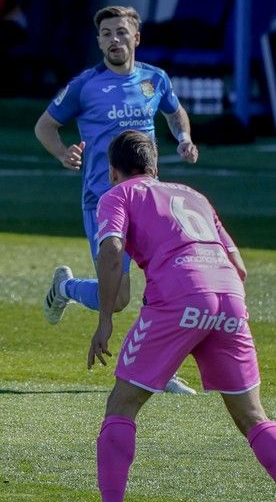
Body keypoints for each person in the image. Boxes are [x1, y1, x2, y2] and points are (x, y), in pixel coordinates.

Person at [88, 130, 276, 500]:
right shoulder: (194, 196)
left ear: (113, 172)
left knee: (122, 404)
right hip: (230, 297)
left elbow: (111, 251)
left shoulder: (118, 195)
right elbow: (239, 266)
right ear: (154, 166)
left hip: (179, 296)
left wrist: (105, 319)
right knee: (253, 416)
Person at [34, 5, 199, 395]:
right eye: (106, 34)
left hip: (150, 201)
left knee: (170, 284)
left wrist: (184, 138)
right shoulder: (84, 85)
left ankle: (161, 368)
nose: (114, 40)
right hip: (104, 201)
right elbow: (45, 125)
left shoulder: (154, 80)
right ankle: (67, 289)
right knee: (120, 297)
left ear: (136, 38)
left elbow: (176, 115)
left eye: (121, 32)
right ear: (99, 41)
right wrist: (61, 153)